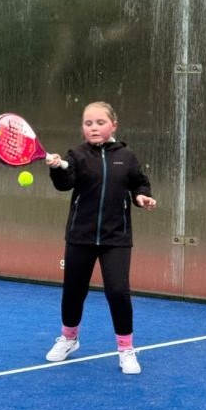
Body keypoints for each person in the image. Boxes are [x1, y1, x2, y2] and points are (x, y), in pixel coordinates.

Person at [43, 101, 156, 375]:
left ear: (113, 125)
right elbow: (65, 183)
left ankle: (126, 349)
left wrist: (141, 196)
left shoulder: (126, 156)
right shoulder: (76, 155)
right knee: (74, 290)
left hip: (116, 238)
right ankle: (69, 338)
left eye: (100, 122)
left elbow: (139, 182)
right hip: (80, 236)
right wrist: (57, 167)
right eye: (88, 123)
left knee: (117, 292)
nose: (93, 128)